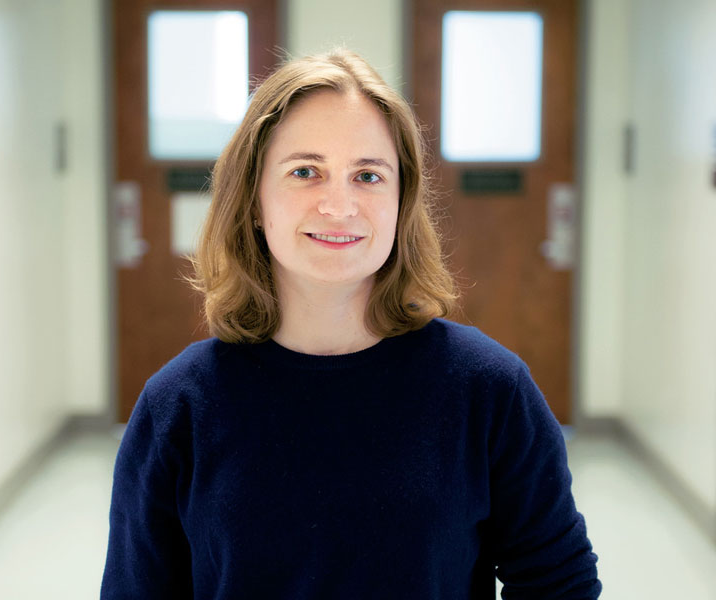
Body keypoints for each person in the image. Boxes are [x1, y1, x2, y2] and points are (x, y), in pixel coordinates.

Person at [101, 48, 601, 599]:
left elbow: (558, 582)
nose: (339, 206)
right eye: (305, 172)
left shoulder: (489, 390)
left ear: (401, 203)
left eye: (368, 175)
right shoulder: (178, 407)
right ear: (254, 201)